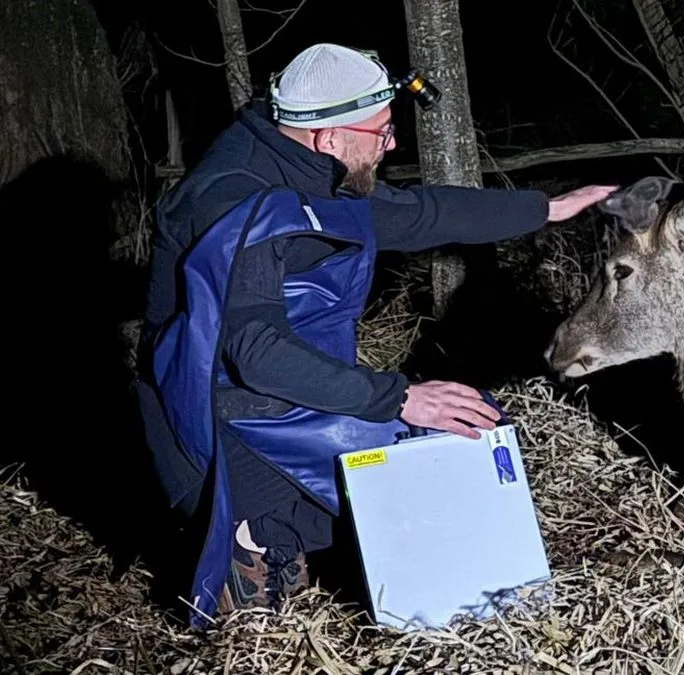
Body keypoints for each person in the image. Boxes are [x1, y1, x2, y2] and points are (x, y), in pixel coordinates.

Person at [134, 42, 616, 628]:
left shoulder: (305, 165)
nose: (391, 144)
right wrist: (400, 396)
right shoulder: (237, 200)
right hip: (219, 407)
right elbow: (253, 353)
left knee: (457, 427)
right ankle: (254, 558)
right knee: (262, 600)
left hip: (286, 378)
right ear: (329, 138)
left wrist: (547, 208)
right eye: (381, 131)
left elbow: (419, 214)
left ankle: (450, 594)